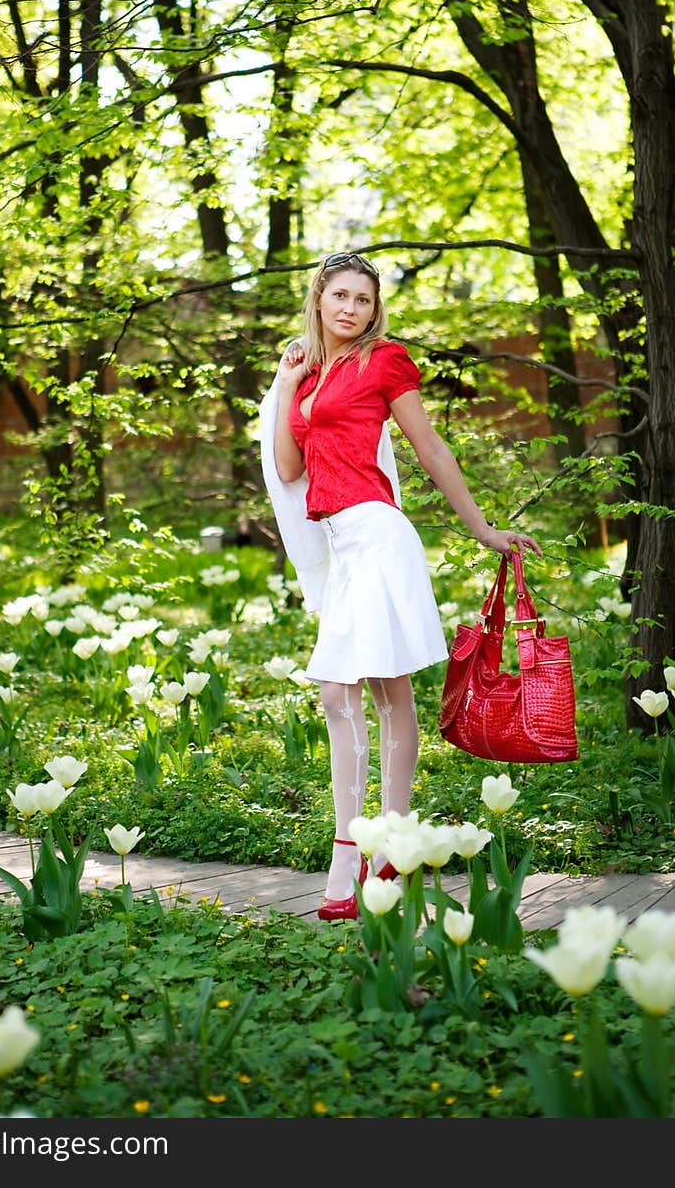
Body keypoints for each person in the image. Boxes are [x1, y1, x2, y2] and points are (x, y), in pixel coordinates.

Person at [258, 251, 543, 921]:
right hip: (342, 547)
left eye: (363, 297)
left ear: (374, 307)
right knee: (380, 692)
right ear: (320, 301)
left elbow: (430, 449)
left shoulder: (384, 363)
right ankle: (386, 851)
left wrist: (483, 530)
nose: (351, 307)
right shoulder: (306, 376)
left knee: (342, 690)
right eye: (340, 296)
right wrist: (282, 380)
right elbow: (287, 465)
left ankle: (359, 849)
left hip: (379, 537)